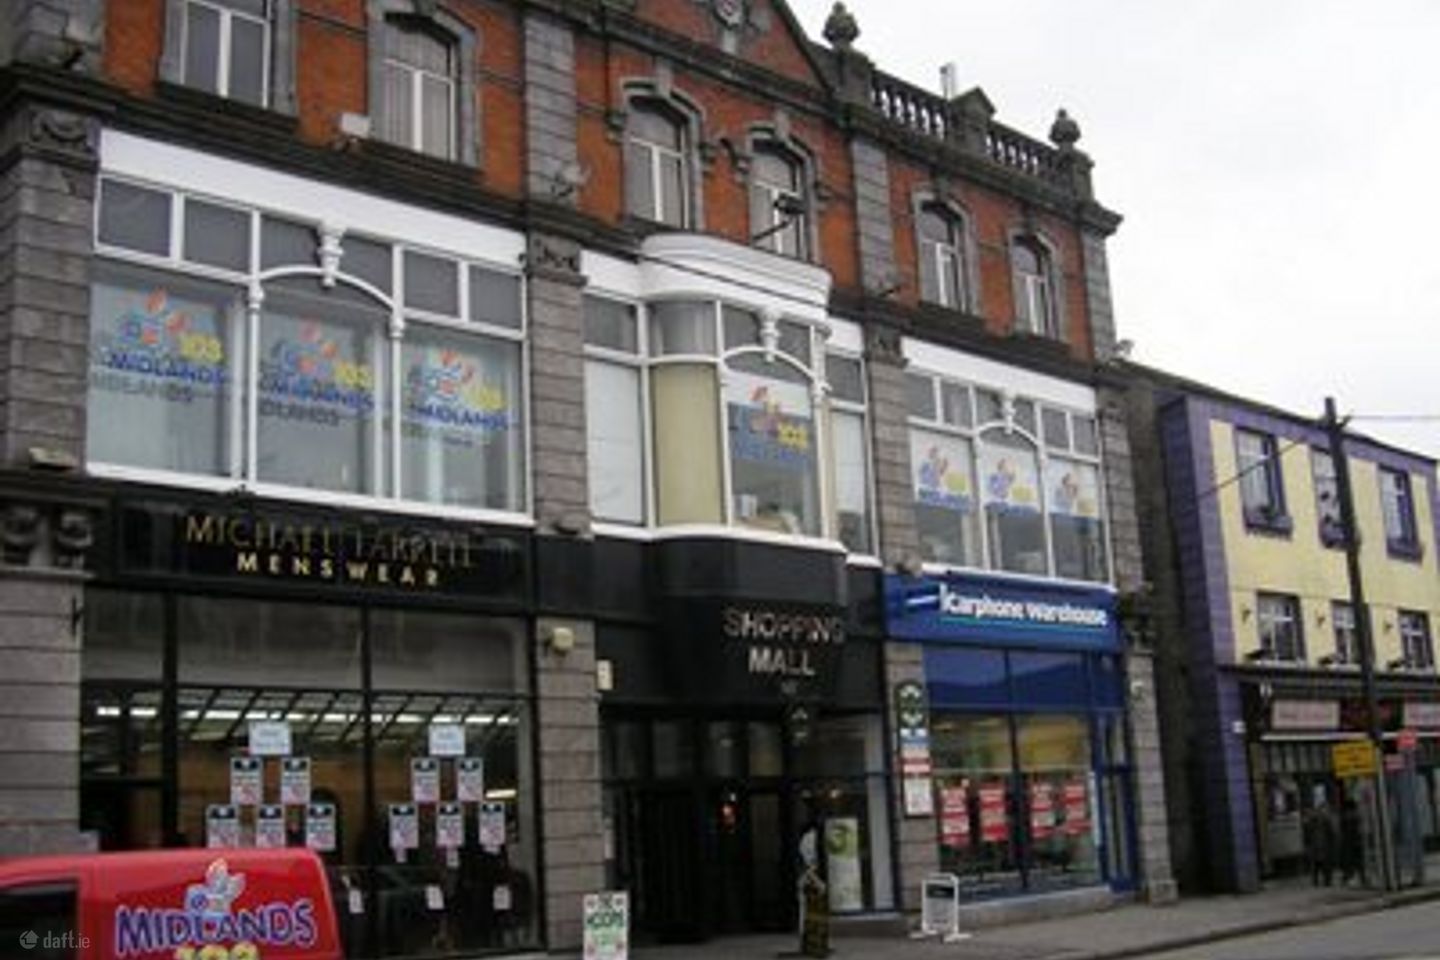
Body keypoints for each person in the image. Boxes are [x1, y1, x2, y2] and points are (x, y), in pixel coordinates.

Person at [1303, 800, 1337, 886]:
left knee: (1319, 864)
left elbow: (1331, 833)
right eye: (1324, 809)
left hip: (1320, 845)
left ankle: (1321, 881)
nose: (1325, 811)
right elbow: (1331, 833)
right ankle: (1323, 881)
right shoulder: (1322, 820)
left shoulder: (1316, 820)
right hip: (1320, 845)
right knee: (1321, 864)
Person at [1339, 796, 1364, 885]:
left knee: (1349, 862)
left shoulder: (1346, 817)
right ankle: (1362, 877)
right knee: (1358, 861)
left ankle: (1347, 877)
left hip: (1349, 843)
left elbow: (1343, 831)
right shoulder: (1355, 816)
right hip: (1355, 842)